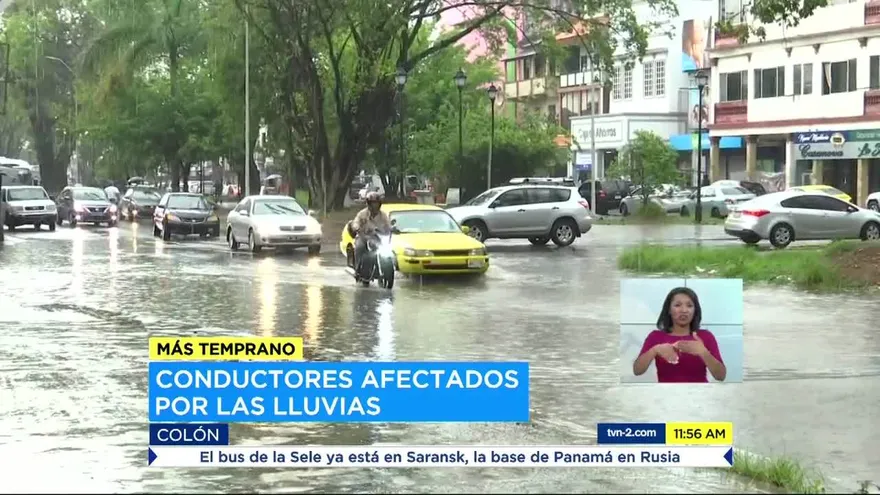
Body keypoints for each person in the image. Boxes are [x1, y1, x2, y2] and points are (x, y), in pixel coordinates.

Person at [632, 287, 727, 383]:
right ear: (668, 310)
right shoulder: (655, 336)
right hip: (666, 394)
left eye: (689, 306)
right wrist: (654, 350)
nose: (684, 310)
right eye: (677, 305)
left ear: (695, 311)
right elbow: (637, 371)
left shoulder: (706, 336)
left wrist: (703, 352)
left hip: (699, 394)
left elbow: (721, 376)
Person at [350, 192, 392, 272]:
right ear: (368, 204)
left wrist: (392, 228)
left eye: (376, 203)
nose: (374, 205)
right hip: (363, 236)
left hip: (377, 237)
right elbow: (356, 222)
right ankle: (357, 269)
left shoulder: (383, 215)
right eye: (373, 203)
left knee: (386, 250)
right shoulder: (362, 214)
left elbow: (388, 225)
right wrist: (356, 227)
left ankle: (383, 267)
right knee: (359, 247)